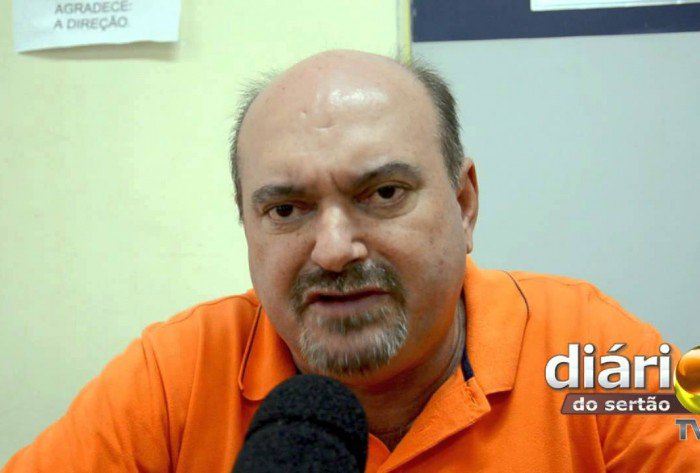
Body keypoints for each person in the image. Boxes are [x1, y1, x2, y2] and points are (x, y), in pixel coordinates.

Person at [3, 50, 698, 472]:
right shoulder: (175, 376)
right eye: (287, 208)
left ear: (464, 204)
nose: (334, 249)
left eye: (384, 193)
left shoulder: (592, 349)